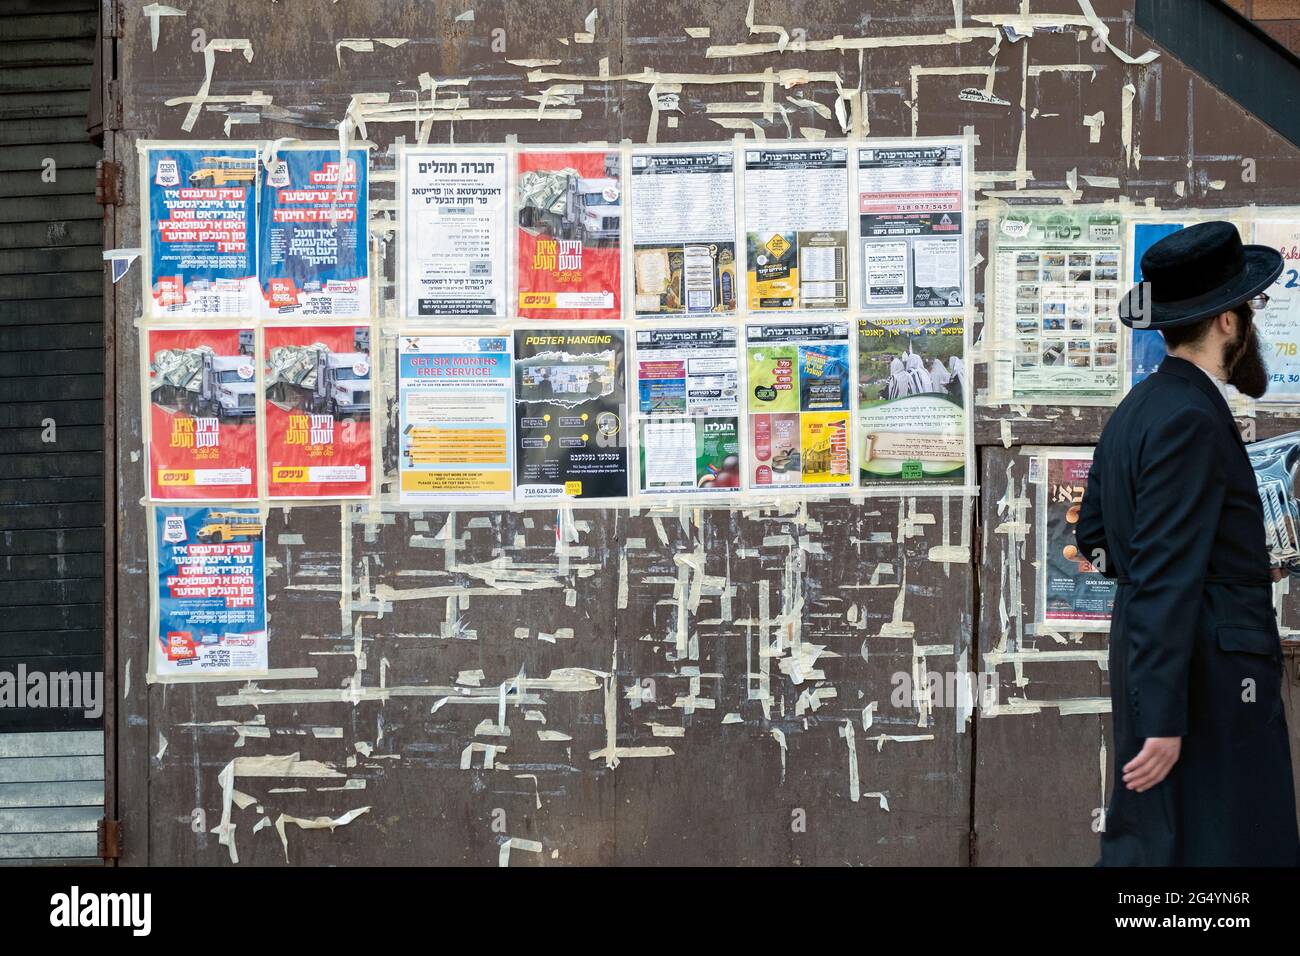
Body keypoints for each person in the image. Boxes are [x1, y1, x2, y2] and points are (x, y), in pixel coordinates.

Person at [1076, 221, 1298, 866]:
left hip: (1167, 665)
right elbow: (1168, 574)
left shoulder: (1139, 408)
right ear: (1228, 322)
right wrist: (1164, 719)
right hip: (1207, 680)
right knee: (1218, 847)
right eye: (1251, 308)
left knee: (1164, 842)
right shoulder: (1190, 419)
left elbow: (1097, 539)